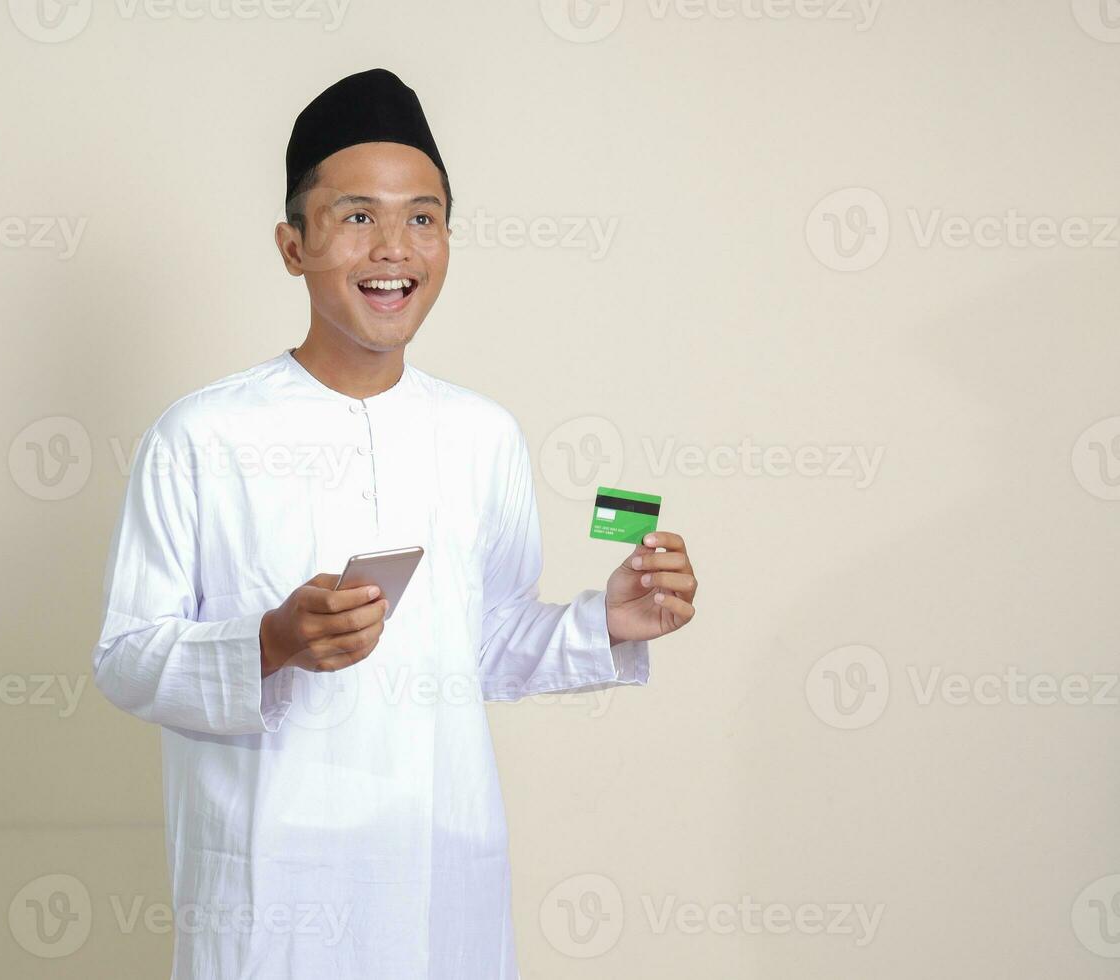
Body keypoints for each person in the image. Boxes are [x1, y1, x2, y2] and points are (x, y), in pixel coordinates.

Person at [92, 67, 700, 979]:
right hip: (273, 907)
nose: (395, 248)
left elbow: (483, 641)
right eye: (357, 216)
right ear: (292, 246)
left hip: (440, 896)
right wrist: (267, 641)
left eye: (423, 217)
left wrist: (605, 621)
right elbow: (127, 657)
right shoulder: (202, 436)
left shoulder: (481, 434)